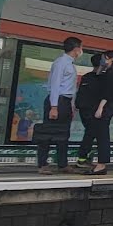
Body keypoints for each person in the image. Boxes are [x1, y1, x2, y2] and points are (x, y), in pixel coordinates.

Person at [34, 36, 83, 174]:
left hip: (66, 101)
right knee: (47, 134)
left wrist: (72, 105)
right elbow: (55, 85)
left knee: (63, 134)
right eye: (80, 47)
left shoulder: (71, 64)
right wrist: (54, 106)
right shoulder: (60, 62)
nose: (81, 50)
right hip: (56, 101)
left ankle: (62, 164)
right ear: (76, 49)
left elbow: (71, 87)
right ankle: (42, 164)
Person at [81, 51, 113, 176]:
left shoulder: (111, 73)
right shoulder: (110, 73)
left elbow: (108, 93)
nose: (102, 60)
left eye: (104, 58)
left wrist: (100, 108)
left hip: (104, 107)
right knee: (101, 135)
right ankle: (101, 164)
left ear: (110, 59)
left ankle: (101, 165)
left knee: (102, 136)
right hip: (107, 107)